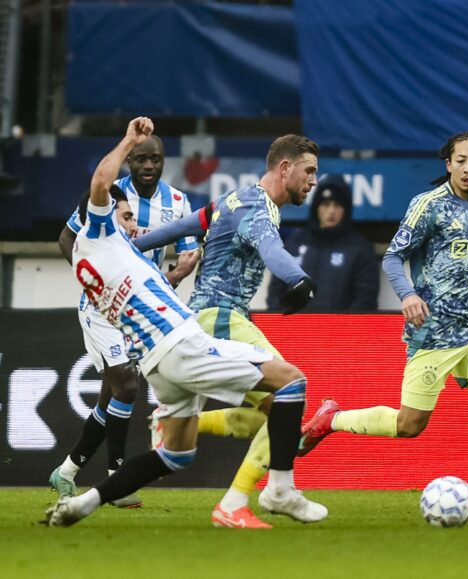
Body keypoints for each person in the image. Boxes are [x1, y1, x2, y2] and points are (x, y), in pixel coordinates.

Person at [44, 117, 326, 528]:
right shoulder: (104, 236)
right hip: (183, 341)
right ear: (100, 217)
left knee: (177, 454)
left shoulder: (102, 261)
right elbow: (102, 183)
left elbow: (180, 230)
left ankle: (82, 504)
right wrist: (127, 142)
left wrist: (168, 269)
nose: (132, 222)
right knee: (291, 383)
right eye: (123, 215)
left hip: (159, 363)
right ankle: (278, 489)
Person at [298, 132, 468, 522]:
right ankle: (331, 419)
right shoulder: (428, 206)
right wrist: (406, 295)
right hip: (432, 333)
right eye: (461, 161)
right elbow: (392, 257)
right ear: (448, 164)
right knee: (409, 425)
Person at [133, 133, 322, 529]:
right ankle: (249, 498)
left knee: (266, 419)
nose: (312, 182)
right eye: (309, 172)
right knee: (290, 392)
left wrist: (131, 249)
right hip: (221, 317)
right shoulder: (259, 208)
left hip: (211, 317)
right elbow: (272, 250)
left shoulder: (232, 200)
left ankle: (174, 427)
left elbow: (183, 226)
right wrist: (300, 280)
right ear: (284, 168)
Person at [49, 132, 200, 508]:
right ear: (130, 161)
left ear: (164, 161)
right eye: (140, 159)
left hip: (140, 311)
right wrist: (91, 277)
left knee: (112, 398)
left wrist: (178, 274)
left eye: (155, 159)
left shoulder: (177, 202)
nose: (148, 166)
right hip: (102, 308)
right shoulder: (110, 195)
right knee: (128, 388)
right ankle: (117, 479)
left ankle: (66, 471)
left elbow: (187, 252)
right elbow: (66, 238)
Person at [265, 173, 379, 312]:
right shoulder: (296, 241)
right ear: (316, 208)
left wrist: (342, 330)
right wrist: (282, 325)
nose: (331, 211)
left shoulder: (360, 248)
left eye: (337, 205)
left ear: (346, 209)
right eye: (325, 204)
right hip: (294, 331)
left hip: (340, 332)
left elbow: (365, 301)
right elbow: (276, 292)